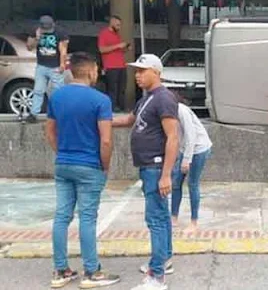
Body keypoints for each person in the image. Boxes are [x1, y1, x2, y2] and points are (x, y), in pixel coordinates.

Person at [45, 52, 120, 289]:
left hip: (63, 163)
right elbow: (106, 140)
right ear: (89, 71)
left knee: (62, 216)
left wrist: (62, 153)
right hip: (89, 165)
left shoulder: (56, 97)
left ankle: (60, 270)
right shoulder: (100, 100)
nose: (97, 73)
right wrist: (105, 165)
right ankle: (91, 271)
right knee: (87, 218)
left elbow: (49, 132)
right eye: (96, 69)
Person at [113, 54, 179, 290]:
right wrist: (103, 121)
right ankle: (165, 258)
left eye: (142, 71)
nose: (137, 75)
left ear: (156, 72)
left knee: (156, 219)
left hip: (156, 166)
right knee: (161, 217)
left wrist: (165, 174)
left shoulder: (164, 99)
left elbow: (173, 137)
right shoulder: (146, 100)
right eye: (136, 71)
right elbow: (129, 120)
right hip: (148, 166)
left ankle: (156, 276)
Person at [169, 92, 213, 234]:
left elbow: (190, 135)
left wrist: (186, 160)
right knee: (176, 183)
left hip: (198, 148)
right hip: (185, 148)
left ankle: (194, 222)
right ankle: (173, 217)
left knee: (192, 184)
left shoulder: (181, 111)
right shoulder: (168, 111)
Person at [25, 15, 69, 123]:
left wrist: (62, 64)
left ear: (53, 24)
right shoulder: (35, 31)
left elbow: (63, 50)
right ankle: (33, 114)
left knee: (58, 92)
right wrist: (36, 38)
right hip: (41, 65)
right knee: (38, 90)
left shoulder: (60, 32)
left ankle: (60, 114)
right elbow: (29, 47)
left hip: (55, 66)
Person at [98, 15, 130, 112]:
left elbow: (118, 50)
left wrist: (125, 49)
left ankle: (122, 107)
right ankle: (111, 109)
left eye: (120, 25)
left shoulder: (117, 35)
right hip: (111, 66)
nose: (119, 27)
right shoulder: (104, 34)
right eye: (117, 25)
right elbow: (102, 49)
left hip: (121, 65)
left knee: (122, 88)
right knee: (113, 89)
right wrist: (118, 46)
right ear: (111, 22)